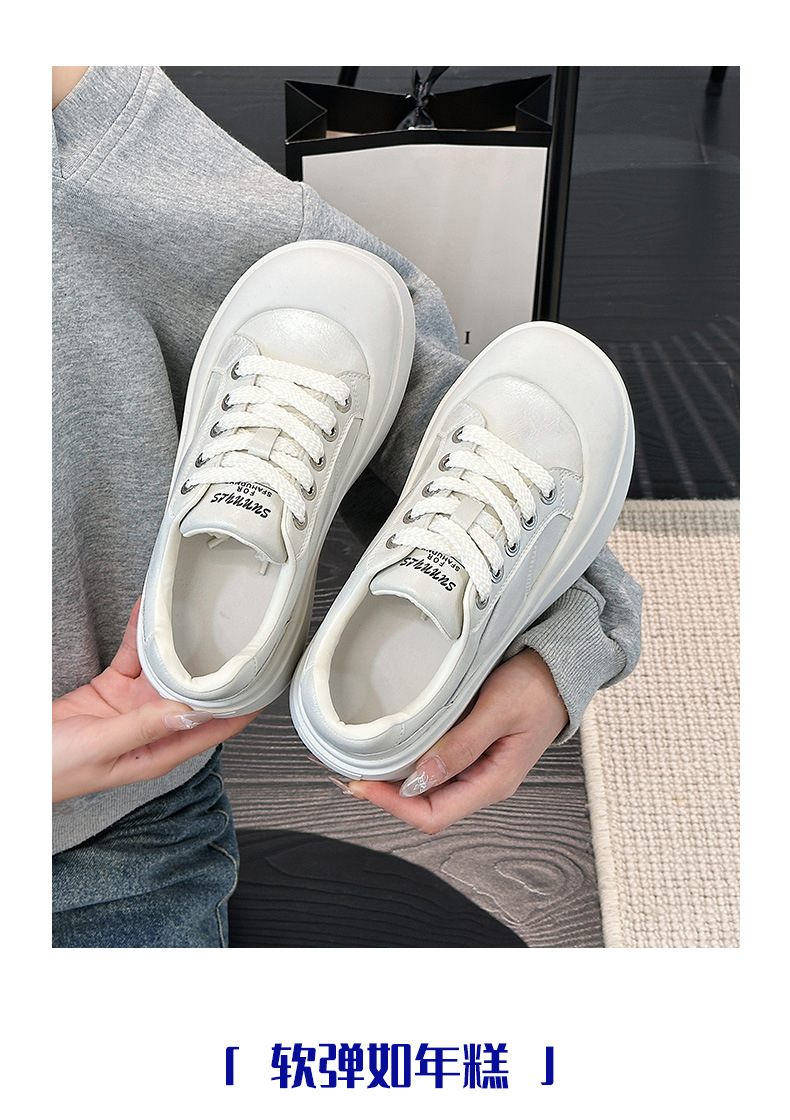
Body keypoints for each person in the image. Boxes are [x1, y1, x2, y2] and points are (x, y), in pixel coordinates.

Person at [52, 65, 642, 947]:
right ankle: (328, 685)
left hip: (105, 830)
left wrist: (562, 634)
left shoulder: (55, 131)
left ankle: (237, 656)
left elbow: (341, 315)